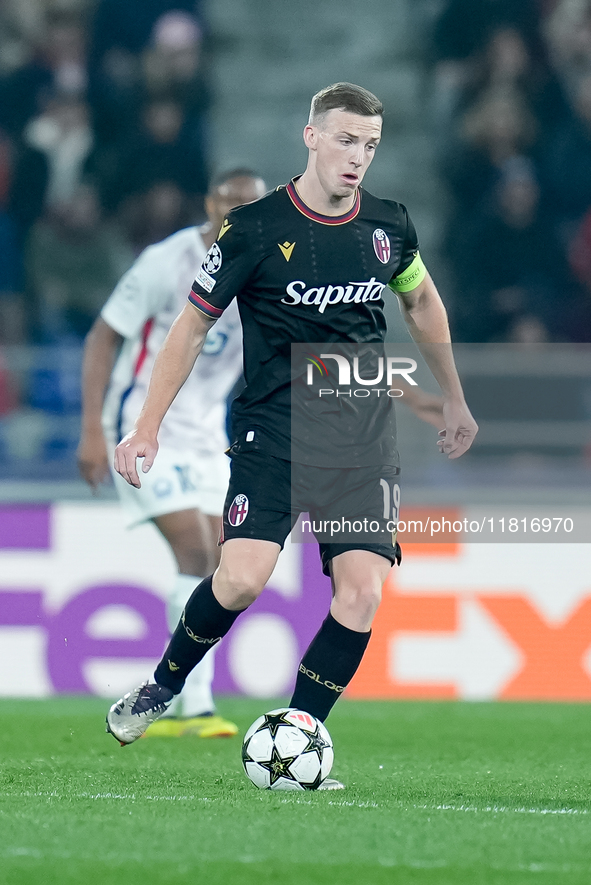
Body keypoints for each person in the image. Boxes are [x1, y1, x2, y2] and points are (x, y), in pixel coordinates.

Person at [106, 83, 478, 788]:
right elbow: (191, 325)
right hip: (273, 427)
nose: (357, 157)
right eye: (344, 140)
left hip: (360, 434)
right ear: (310, 136)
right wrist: (146, 425)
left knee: (361, 592)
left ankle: (301, 734)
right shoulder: (250, 228)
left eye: (369, 145)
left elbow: (421, 299)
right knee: (242, 578)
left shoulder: (390, 225)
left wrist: (450, 395)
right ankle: (162, 684)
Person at [78, 168, 267, 737]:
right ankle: (194, 707)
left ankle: (179, 700)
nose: (235, 213)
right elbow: (104, 335)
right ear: (209, 203)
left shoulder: (264, 268)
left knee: (220, 563)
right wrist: (92, 428)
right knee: (197, 551)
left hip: (209, 434)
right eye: (227, 202)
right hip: (143, 423)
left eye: (249, 205)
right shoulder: (167, 260)